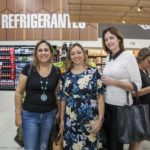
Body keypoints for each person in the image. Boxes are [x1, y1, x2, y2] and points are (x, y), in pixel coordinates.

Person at [15, 40, 61, 150]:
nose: (43, 53)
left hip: (49, 115)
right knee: (31, 147)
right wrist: (18, 115)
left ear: (51, 53)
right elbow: (19, 92)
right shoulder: (28, 68)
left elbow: (57, 93)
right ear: (36, 53)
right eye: (40, 50)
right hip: (30, 115)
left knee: (43, 146)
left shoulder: (56, 71)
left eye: (46, 50)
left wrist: (59, 111)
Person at [101, 26, 141, 150]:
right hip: (107, 106)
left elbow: (136, 86)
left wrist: (114, 82)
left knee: (116, 145)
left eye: (111, 38)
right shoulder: (108, 58)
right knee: (107, 143)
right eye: (106, 39)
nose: (109, 41)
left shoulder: (128, 56)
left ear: (119, 39)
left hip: (121, 108)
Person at [58, 43, 105, 149]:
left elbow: (100, 97)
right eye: (72, 54)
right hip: (70, 121)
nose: (76, 56)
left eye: (79, 52)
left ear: (84, 54)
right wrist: (61, 121)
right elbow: (63, 99)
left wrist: (100, 120)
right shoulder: (65, 76)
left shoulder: (94, 73)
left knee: (90, 146)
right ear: (69, 57)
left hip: (90, 119)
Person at [129, 48, 150, 150]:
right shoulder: (135, 72)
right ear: (141, 58)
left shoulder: (145, 70)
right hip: (138, 109)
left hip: (144, 108)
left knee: (140, 138)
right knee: (137, 138)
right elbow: (132, 93)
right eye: (148, 61)